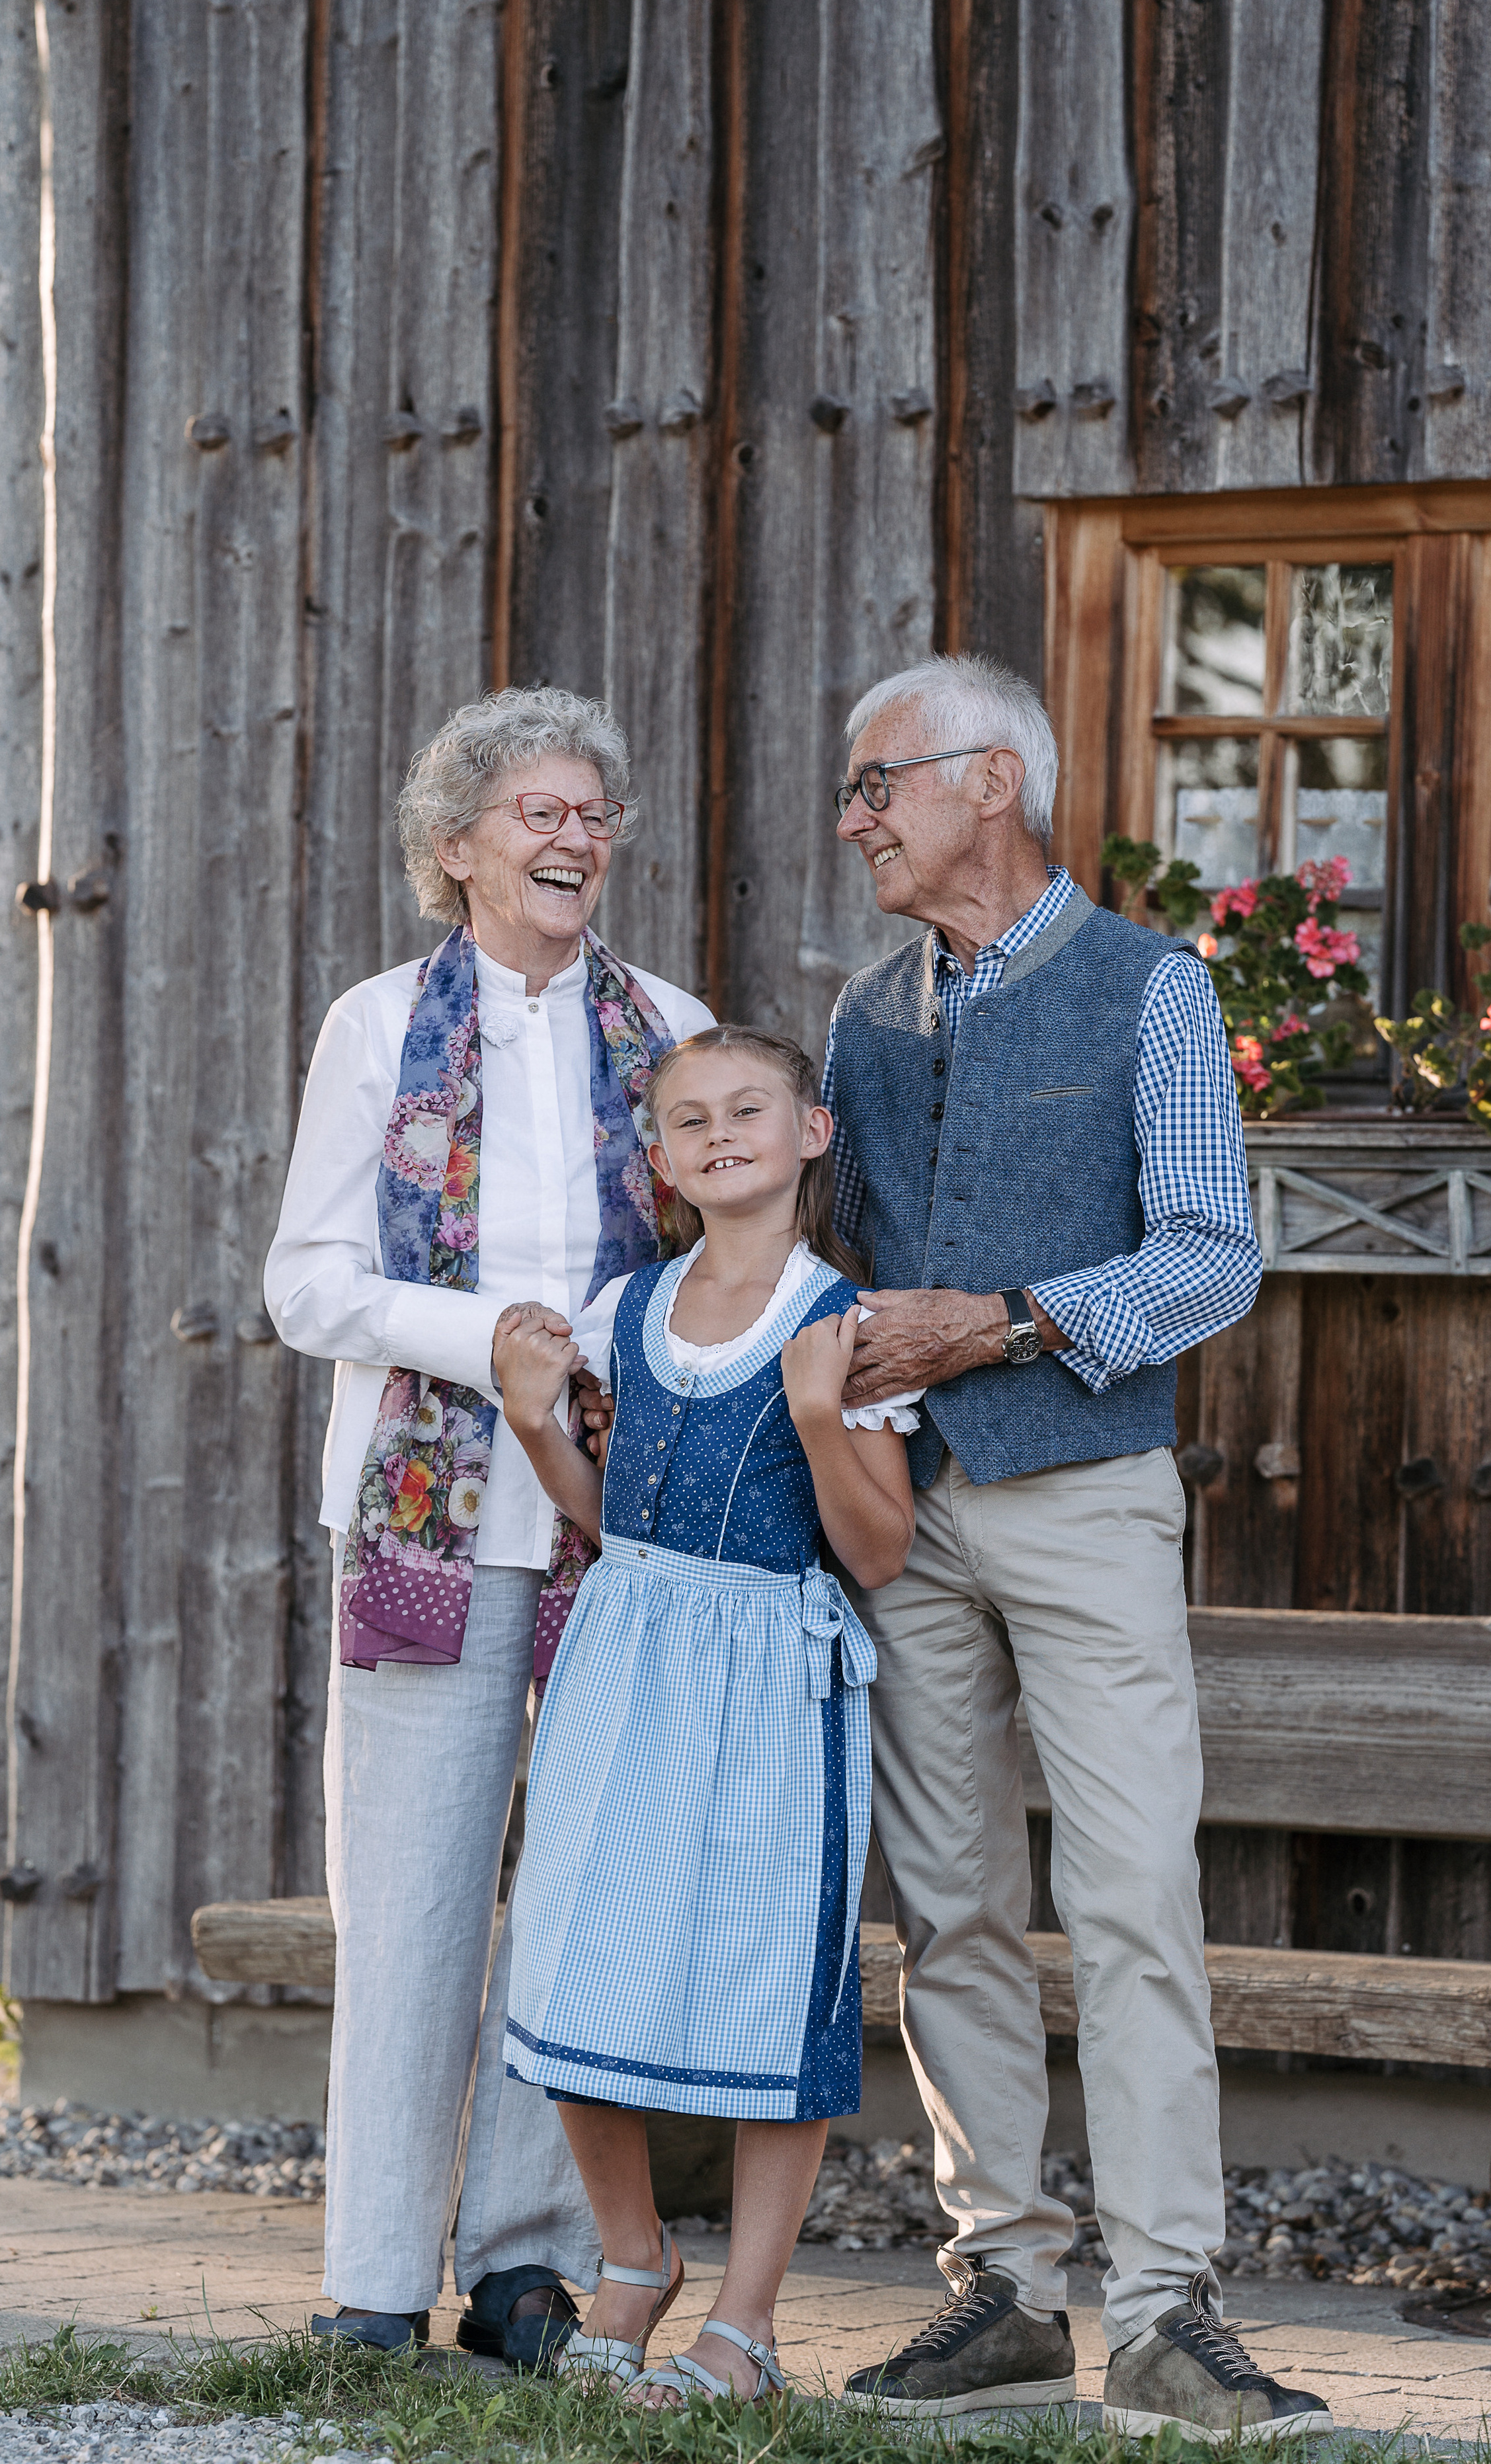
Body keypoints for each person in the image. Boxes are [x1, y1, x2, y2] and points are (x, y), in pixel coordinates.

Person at [821, 655, 1331, 2442]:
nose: (855, 816)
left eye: (879, 782)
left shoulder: (1150, 988)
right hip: (912, 1512)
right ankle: (1006, 2292)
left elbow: (1212, 1257)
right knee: (945, 1906)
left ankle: (1174, 2307)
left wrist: (1007, 1323)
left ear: (993, 782)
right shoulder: (865, 1017)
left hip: (1089, 1492)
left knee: (1129, 1898)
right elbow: (846, 1266)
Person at [264, 686, 713, 2364]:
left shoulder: (670, 1022)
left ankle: (524, 2268)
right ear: (453, 849)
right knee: (411, 1897)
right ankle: (376, 2276)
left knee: (573, 1896)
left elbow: (706, 1262)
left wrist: (606, 1355)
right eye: (538, 810)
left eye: (592, 810)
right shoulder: (377, 1027)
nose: (575, 835)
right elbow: (305, 1284)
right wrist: (494, 1345)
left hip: (617, 1521)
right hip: (425, 1515)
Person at [489, 1027, 918, 2407]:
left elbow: (880, 1553)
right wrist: (532, 1421)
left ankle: (744, 2321)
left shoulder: (840, 1322)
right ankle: (632, 2255)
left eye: (750, 1109)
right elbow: (612, 1518)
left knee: (763, 1971)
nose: (719, 1132)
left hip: (769, 1677)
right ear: (661, 1160)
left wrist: (812, 1420)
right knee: (567, 1948)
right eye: (689, 1119)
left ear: (810, 1134)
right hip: (627, 1652)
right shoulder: (627, 1307)